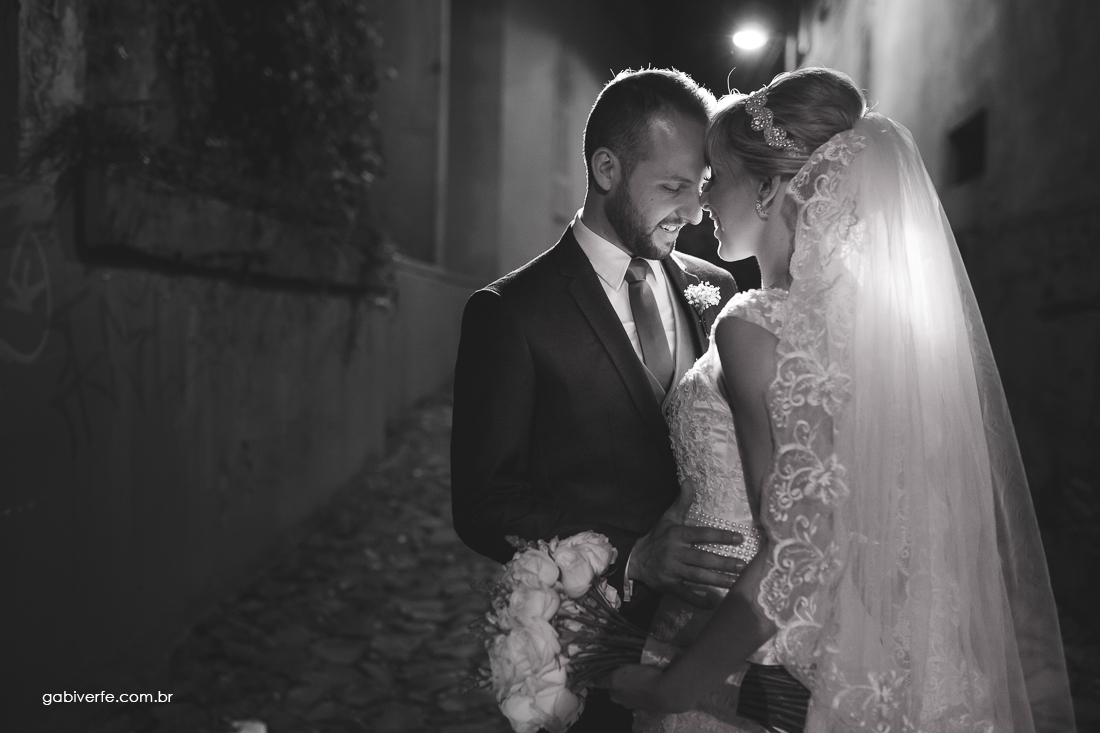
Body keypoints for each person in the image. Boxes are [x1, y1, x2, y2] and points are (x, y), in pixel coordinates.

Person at [606, 67, 1077, 733]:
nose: (704, 195)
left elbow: (800, 548)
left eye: (718, 174)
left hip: (747, 662)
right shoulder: (887, 331)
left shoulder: (753, 326)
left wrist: (672, 687)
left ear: (769, 187)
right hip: (876, 660)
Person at [449, 68, 743, 731]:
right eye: (671, 187)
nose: (694, 212)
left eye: (699, 189)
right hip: (595, 645)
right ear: (607, 169)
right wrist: (633, 555)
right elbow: (484, 503)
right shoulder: (511, 313)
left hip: (714, 644)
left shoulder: (718, 289)